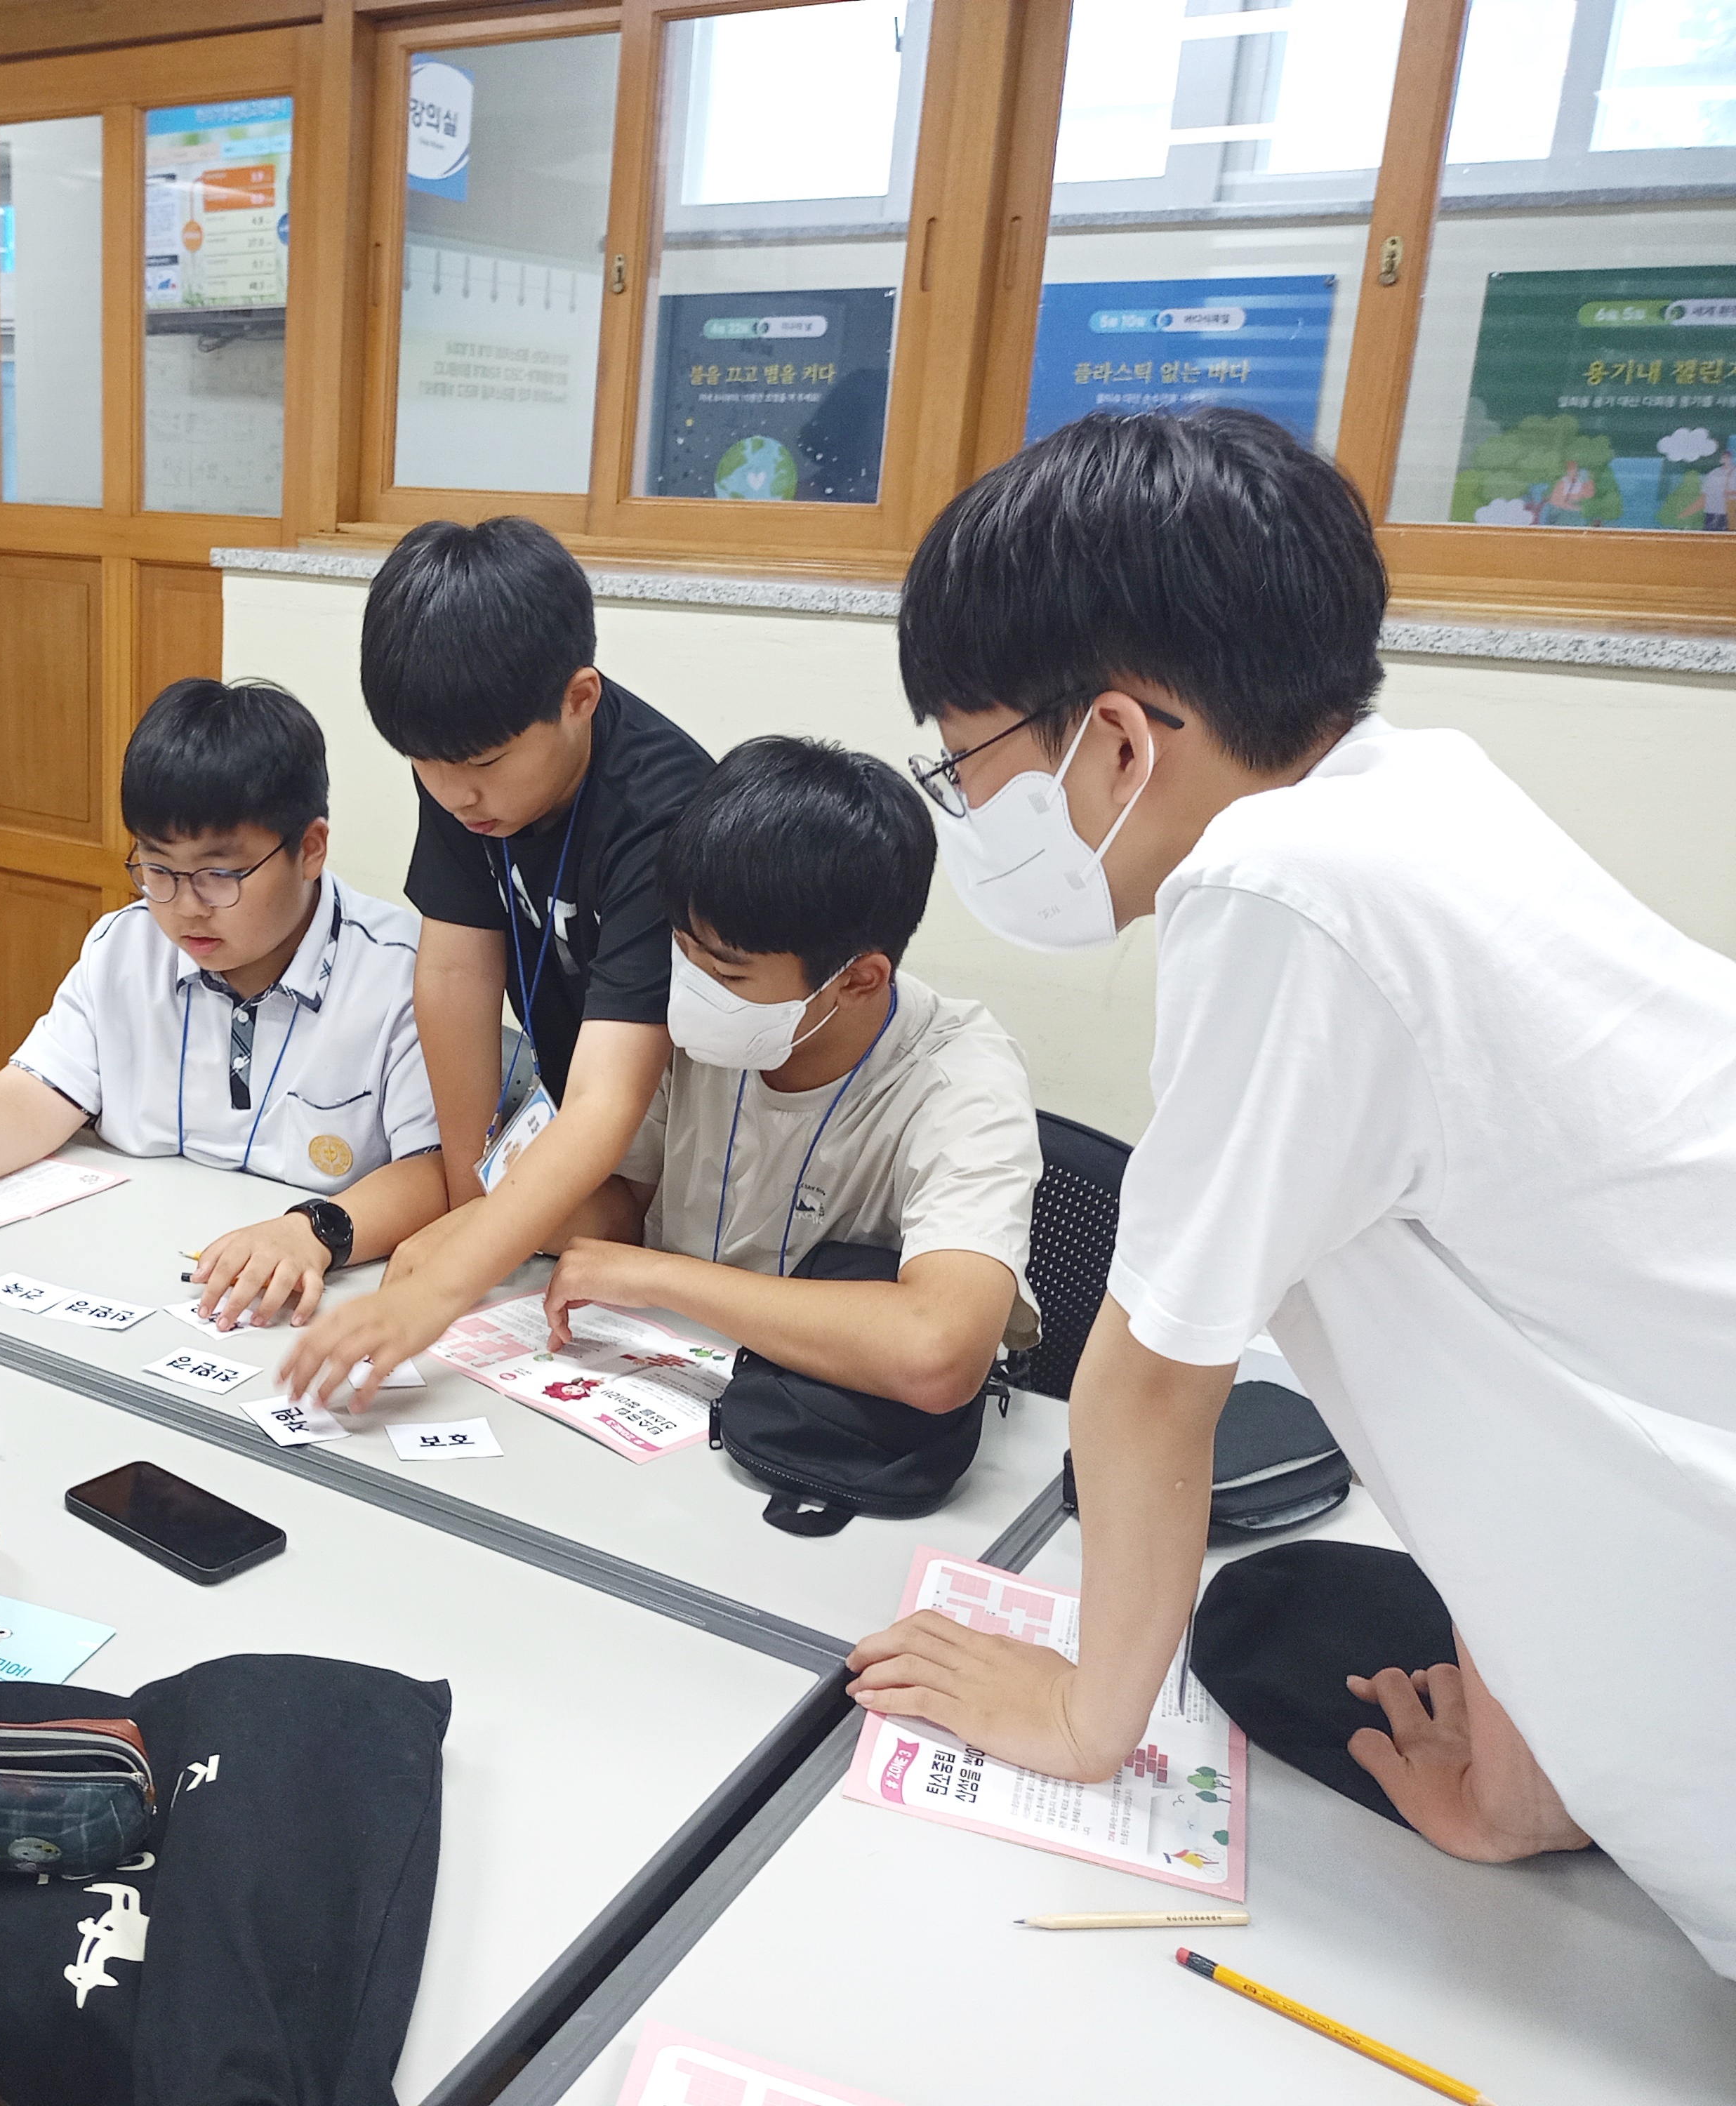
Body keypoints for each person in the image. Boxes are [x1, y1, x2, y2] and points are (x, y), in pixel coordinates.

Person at [849, 406, 1736, 1980]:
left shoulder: (1279, 892)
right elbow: (1511, 1330)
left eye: (968, 764)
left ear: (1117, 742)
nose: (965, 811)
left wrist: (1081, 1715)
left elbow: (1150, 1377)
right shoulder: (1415, 798)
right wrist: (1523, 1778)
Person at [278, 517, 714, 1404]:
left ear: (578, 698)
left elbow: (612, 1103)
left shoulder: (665, 813)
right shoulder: (465, 765)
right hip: (573, 1106)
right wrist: (466, 1193)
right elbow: (453, 974)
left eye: (479, 764)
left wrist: (447, 1282)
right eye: (424, 765)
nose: (454, 794)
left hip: (680, 1121)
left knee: (596, 1227)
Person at [0, 677, 446, 1328]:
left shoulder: (404, 973)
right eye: (158, 870)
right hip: (132, 1279)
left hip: (309, 1298)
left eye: (219, 874)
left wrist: (314, 1230)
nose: (185, 907)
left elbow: (436, 1172)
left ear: (310, 849)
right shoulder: (125, 949)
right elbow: (26, 1103)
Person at [540, 737, 1039, 1404]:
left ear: (858, 981)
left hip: (817, 1421)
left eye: (727, 974)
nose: (691, 986)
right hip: (660, 1376)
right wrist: (519, 1195)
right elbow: (625, 1207)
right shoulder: (690, 1018)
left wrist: (657, 1276)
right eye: (682, 948)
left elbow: (937, 1355)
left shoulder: (961, 1084)